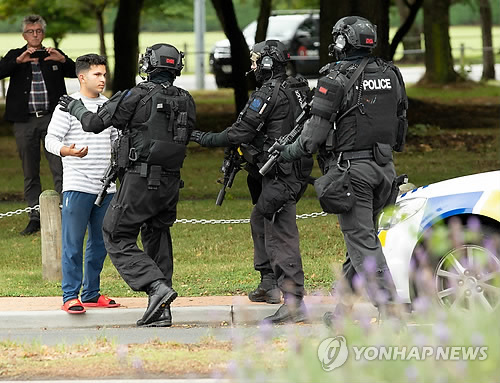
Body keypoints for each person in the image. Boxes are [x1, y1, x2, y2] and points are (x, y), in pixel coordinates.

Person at [279, 16, 409, 322]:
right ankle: (342, 313)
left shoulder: (334, 78)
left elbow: (312, 136)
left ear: (341, 42)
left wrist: (289, 152)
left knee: (363, 244)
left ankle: (390, 310)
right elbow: (401, 118)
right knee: (360, 243)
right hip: (386, 169)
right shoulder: (391, 73)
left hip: (353, 174)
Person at [58, 43, 196, 327]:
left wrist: (74, 106)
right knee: (157, 238)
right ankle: (162, 311)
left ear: (148, 64)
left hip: (139, 180)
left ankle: (156, 287)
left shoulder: (137, 95)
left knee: (115, 233)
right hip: (170, 184)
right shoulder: (186, 98)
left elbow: (96, 123)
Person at [190, 40, 314, 324]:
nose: (253, 67)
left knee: (281, 232)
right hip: (291, 168)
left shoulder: (269, 93)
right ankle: (268, 283)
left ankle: (293, 301)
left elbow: (239, 133)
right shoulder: (298, 86)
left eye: (257, 61)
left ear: (269, 64)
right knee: (260, 218)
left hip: (281, 172)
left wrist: (201, 137)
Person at [45, 54, 120, 314]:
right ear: (82, 77)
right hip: (77, 185)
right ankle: (70, 296)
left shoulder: (109, 106)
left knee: (100, 244)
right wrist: (67, 150)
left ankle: (90, 293)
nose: (102, 79)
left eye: (104, 74)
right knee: (73, 243)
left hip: (106, 188)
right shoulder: (68, 106)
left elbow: (116, 141)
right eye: (97, 74)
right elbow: (50, 140)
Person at [0, 14, 76, 235]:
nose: (35, 35)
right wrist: (18, 62)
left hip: (54, 120)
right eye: (30, 32)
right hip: (25, 121)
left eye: (39, 31)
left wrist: (62, 60)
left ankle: (66, 214)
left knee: (60, 167)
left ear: (43, 33)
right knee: (30, 170)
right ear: (24, 35)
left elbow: (76, 72)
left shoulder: (53, 56)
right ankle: (35, 216)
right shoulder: (16, 55)